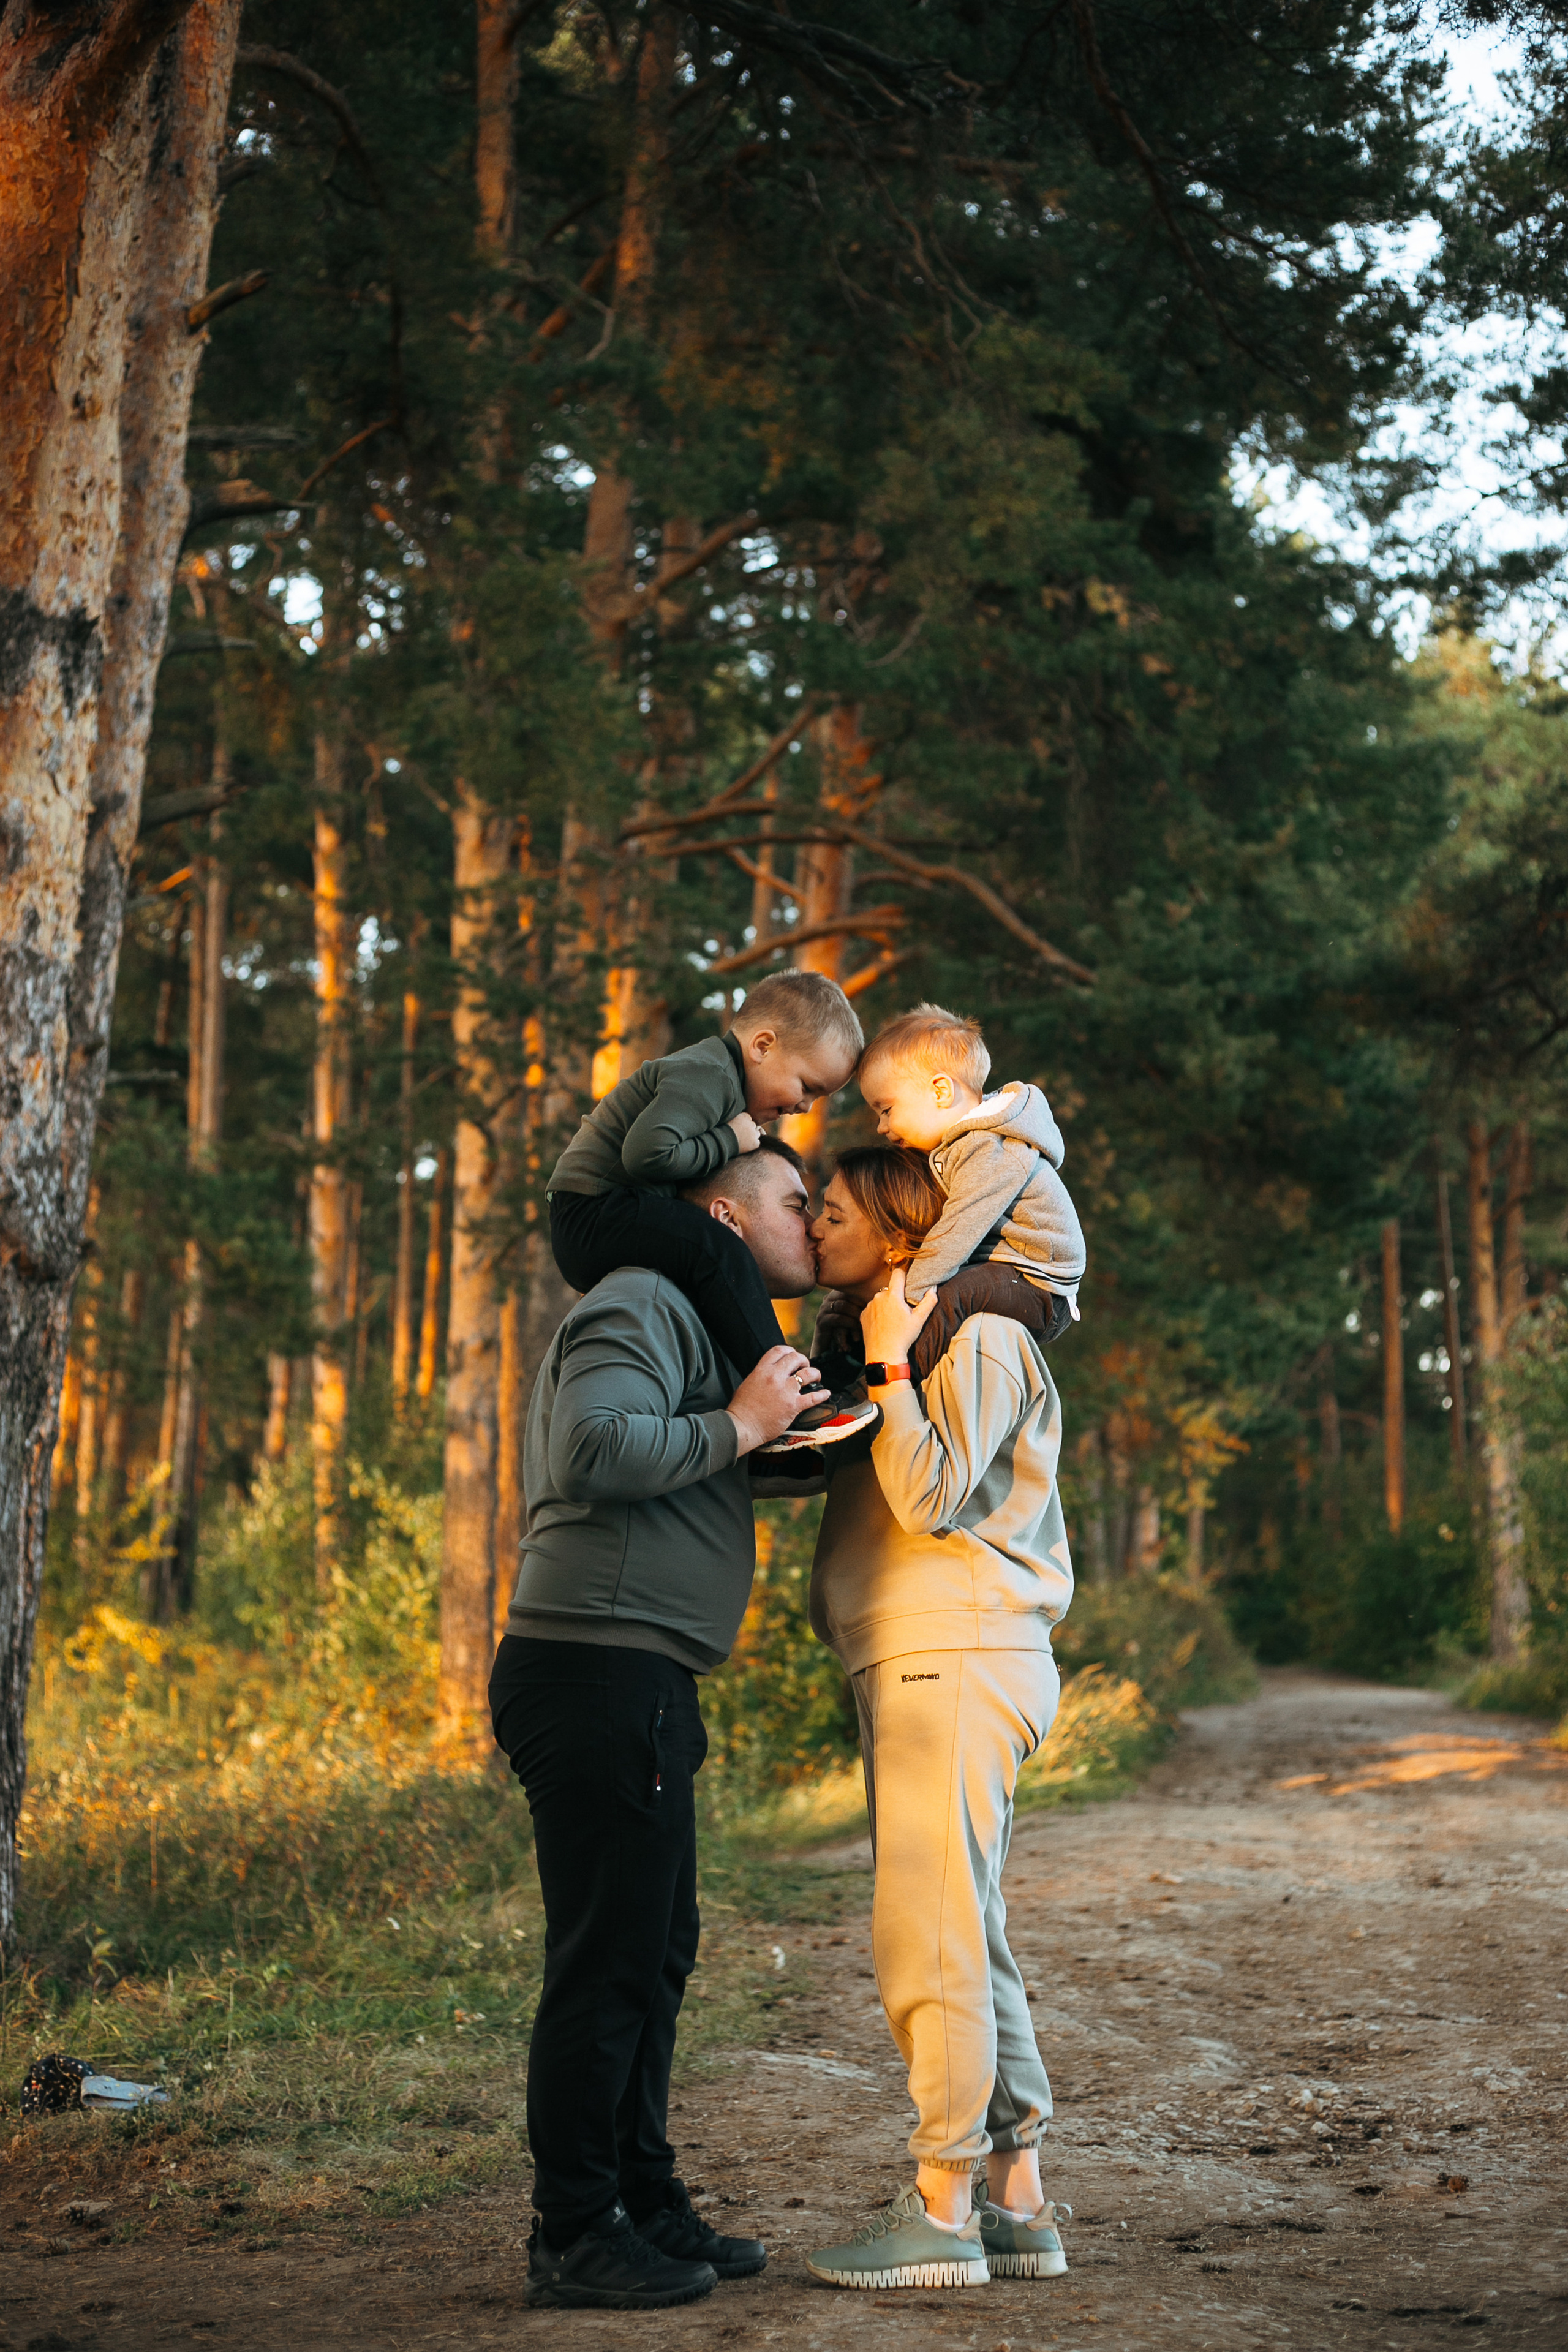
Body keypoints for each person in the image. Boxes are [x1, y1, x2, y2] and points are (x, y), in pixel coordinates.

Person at [489, 1137, 827, 2312]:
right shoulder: (638, 1299)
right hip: (591, 1671)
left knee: (655, 1953)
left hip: (640, 1676)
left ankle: (640, 2197)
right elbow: (592, 1449)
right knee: (608, 1965)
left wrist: (776, 1435)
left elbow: (683, 1457)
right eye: (799, 1202)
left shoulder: (698, 1323)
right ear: (723, 1217)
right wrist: (738, 1424)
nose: (817, 1223)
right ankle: (575, 2232)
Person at [802, 1145, 1076, 2293]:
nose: (813, 1223)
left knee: (928, 1934)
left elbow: (930, 1495)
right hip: (925, 1654)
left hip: (955, 1651)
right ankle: (1017, 2205)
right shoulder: (907, 1336)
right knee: (971, 1929)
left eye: (831, 1209)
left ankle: (941, 2206)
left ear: (904, 1230)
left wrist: (889, 1370)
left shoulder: (979, 1336)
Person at [545, 968, 874, 1447]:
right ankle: (793, 1392)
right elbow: (647, 1155)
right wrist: (731, 1139)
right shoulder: (709, 1074)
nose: (805, 1108)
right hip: (592, 1212)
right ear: (762, 1045)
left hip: (610, 1211)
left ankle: (786, 1391)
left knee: (712, 1268)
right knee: (715, 1246)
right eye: (808, 1086)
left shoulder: (721, 1081)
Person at [854, 1002, 1086, 1383]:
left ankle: (889, 1383)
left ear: (941, 1091)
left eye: (886, 1110)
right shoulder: (960, 1145)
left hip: (1042, 1288)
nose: (881, 1127)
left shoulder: (988, 1147)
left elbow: (959, 1230)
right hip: (1013, 1271)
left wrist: (908, 1298)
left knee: (948, 1297)